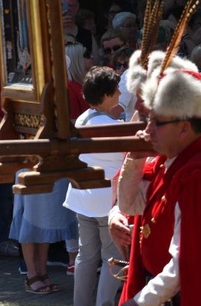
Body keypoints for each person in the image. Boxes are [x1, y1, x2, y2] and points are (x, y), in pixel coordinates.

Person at [118, 52, 201, 305]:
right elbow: (128, 205)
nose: (147, 130)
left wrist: (141, 302)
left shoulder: (199, 175)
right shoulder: (170, 162)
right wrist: (136, 157)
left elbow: (185, 260)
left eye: (156, 122)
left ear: (184, 127)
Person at [63, 67, 125, 306]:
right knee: (112, 257)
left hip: (83, 196)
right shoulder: (110, 125)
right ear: (107, 94)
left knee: (86, 257)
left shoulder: (83, 118)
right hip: (106, 199)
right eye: (116, 90)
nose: (120, 93)